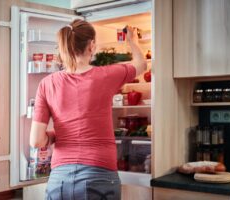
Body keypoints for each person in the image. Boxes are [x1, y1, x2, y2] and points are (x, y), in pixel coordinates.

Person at [29, 19, 147, 200]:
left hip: (59, 179)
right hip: (99, 176)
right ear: (91, 46)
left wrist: (57, 134)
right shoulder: (106, 75)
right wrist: (132, 39)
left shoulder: (47, 84)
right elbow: (141, 64)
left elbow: (36, 140)